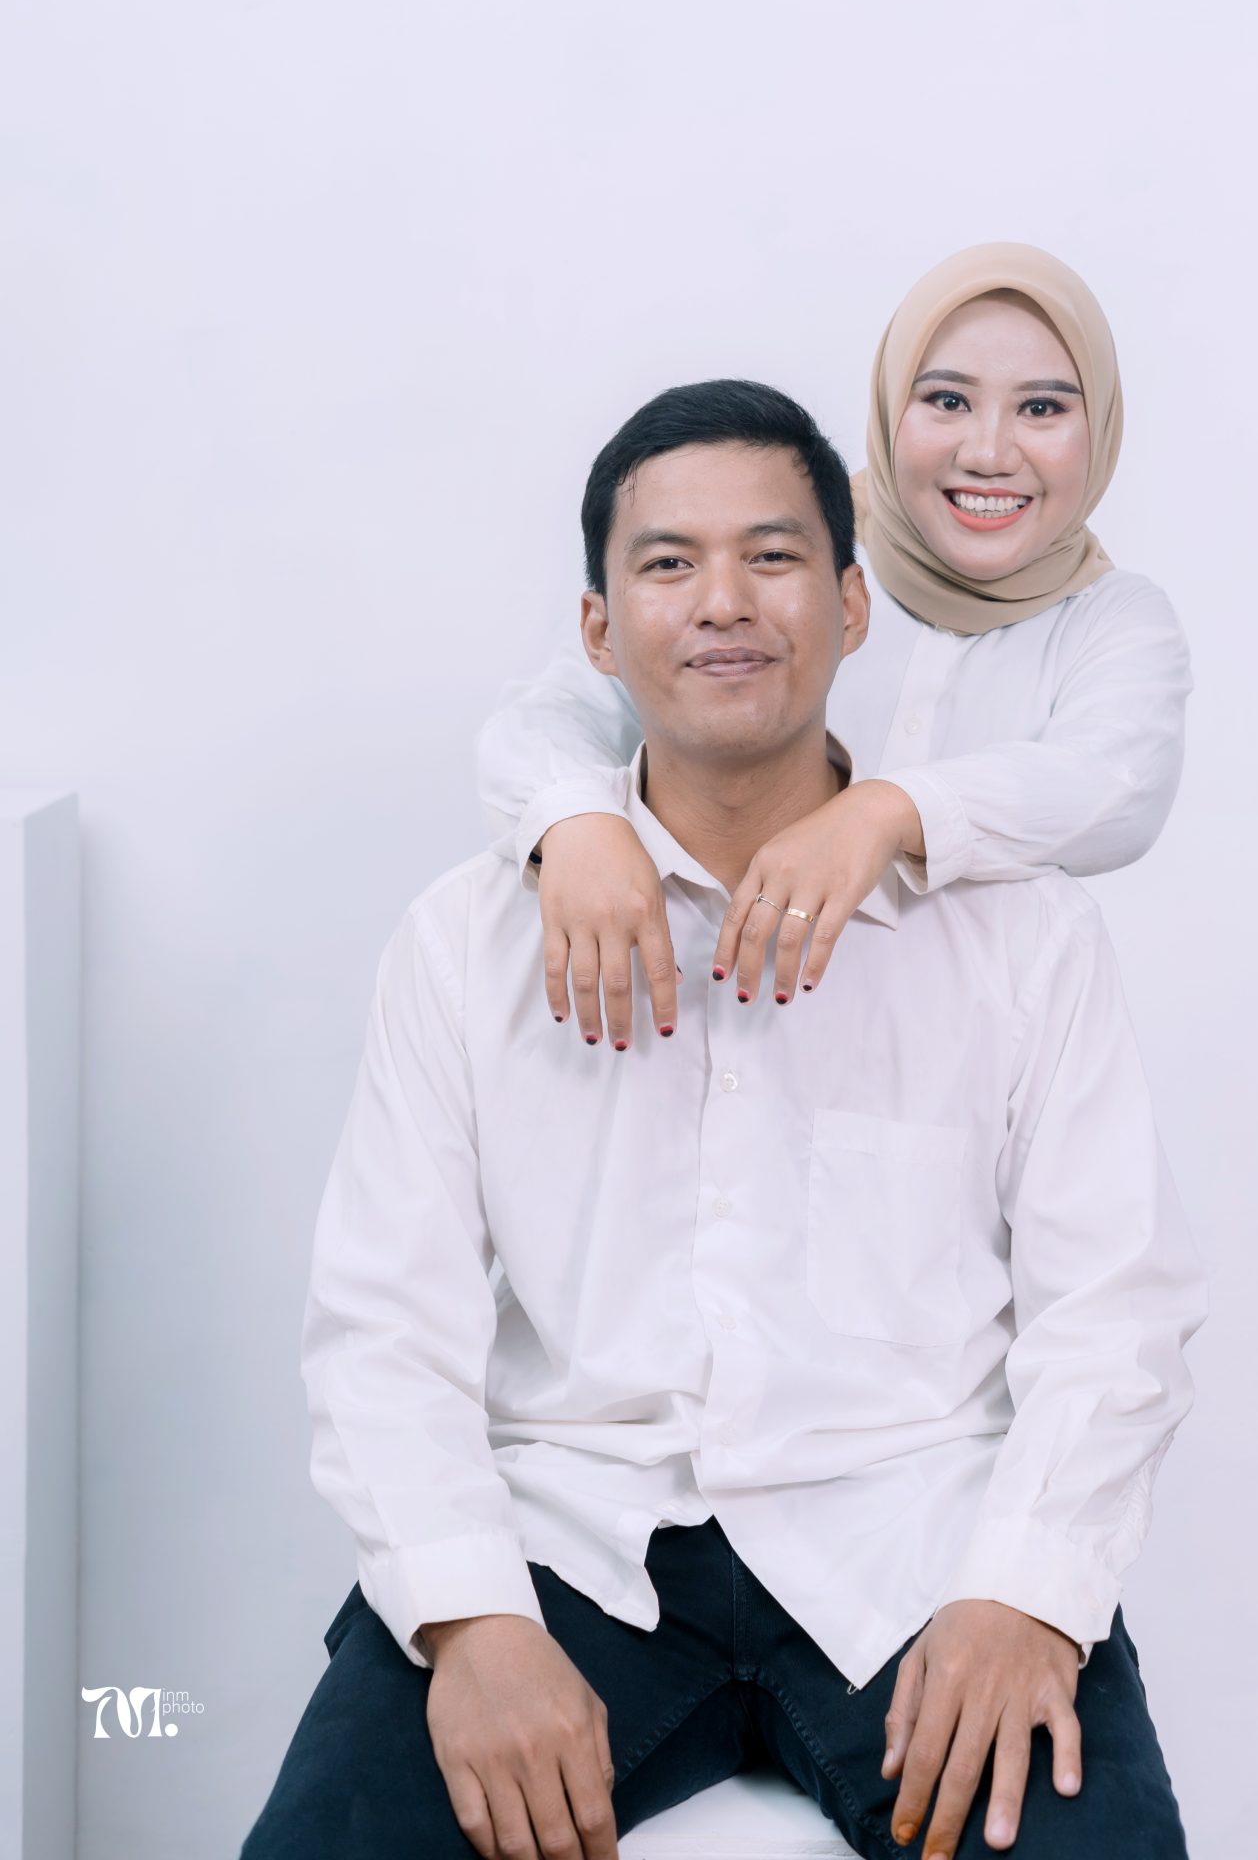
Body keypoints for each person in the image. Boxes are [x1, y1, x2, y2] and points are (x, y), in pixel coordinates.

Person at [240, 379, 1206, 1860]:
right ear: (597, 627)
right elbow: (386, 1323)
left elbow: (1113, 1307)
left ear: (851, 603)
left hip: (916, 1546)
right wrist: (470, 1620)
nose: (723, 603)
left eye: (770, 556)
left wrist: (1026, 1596)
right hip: (571, 1546)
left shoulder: (1020, 934)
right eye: (668, 563)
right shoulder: (464, 940)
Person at [478, 243, 1193, 1045]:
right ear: (890, 406)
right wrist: (576, 818)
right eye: (946, 400)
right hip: (684, 1024)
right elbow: (550, 714)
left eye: (1042, 408)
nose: (988, 453)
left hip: (956, 1049)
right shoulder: (784, 554)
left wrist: (882, 813)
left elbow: (1115, 789)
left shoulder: (1115, 621)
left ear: (1101, 427)